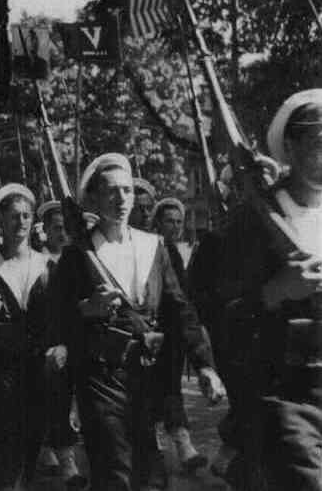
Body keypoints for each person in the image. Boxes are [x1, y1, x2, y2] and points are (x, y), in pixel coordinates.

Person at [52, 153, 224, 491]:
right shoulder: (77, 255)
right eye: (111, 191)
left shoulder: (153, 246)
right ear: (94, 197)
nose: (121, 200)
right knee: (115, 471)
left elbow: (179, 308)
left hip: (147, 374)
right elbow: (55, 319)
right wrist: (88, 308)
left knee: (151, 475)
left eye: (127, 191)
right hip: (100, 376)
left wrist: (205, 364)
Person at [217, 89, 322, 491]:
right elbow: (222, 316)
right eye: (318, 139)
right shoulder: (252, 221)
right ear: (290, 147)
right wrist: (276, 291)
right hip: (285, 397)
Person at [0, 183, 49, 491]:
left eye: (26, 215)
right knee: (5, 452)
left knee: (31, 449)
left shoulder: (47, 266)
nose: (21, 222)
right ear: (0, 223)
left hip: (39, 371)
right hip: (0, 372)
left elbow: (59, 319)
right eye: (13, 216)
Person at [151, 198, 207, 473]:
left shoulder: (179, 251)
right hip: (150, 330)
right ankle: (160, 442)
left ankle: (183, 444)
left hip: (174, 332)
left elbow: (184, 294)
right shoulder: (150, 248)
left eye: (178, 221)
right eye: (169, 221)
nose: (174, 226)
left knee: (171, 387)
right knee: (150, 389)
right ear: (157, 223)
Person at [35, 200, 86, 488]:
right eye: (56, 228)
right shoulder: (39, 263)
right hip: (49, 340)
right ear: (45, 231)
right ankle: (66, 459)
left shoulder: (81, 258)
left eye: (66, 228)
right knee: (56, 399)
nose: (63, 234)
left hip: (80, 338)